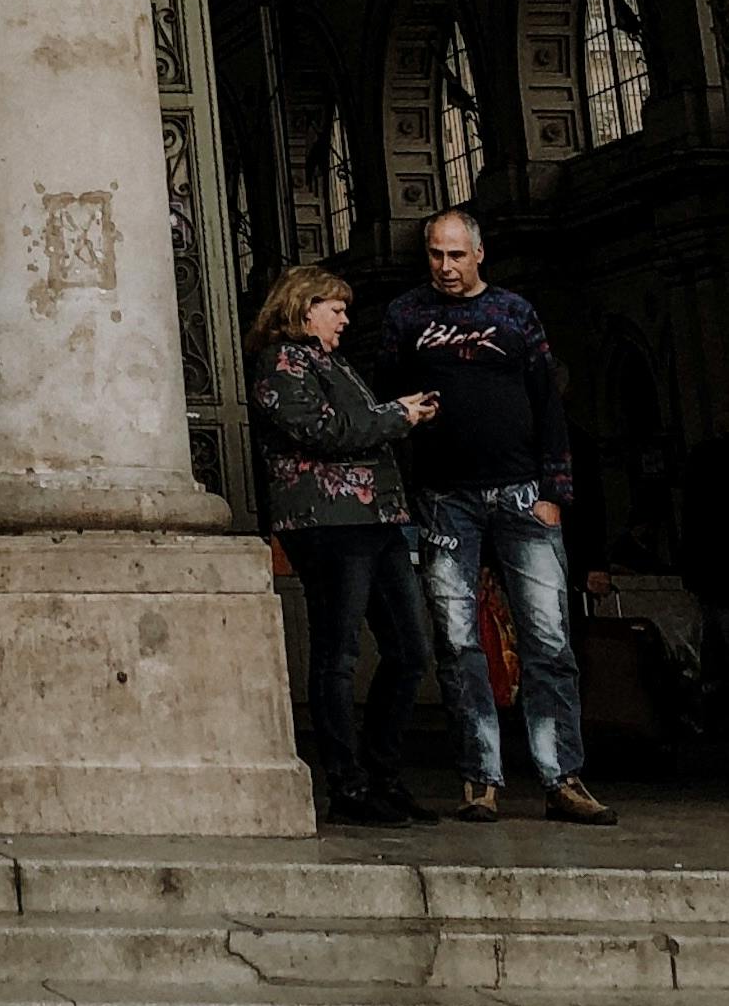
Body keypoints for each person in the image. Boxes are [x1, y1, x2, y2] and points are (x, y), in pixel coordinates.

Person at [372, 206, 617, 827]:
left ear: (479, 254)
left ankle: (562, 777)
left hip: (522, 494)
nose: (446, 267)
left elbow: (549, 406)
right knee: (457, 643)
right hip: (444, 500)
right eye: (435, 255)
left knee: (549, 641)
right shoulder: (404, 317)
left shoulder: (515, 313)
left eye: (456, 255)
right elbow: (386, 406)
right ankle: (479, 779)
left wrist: (554, 491)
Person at [246, 263, 441, 826]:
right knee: (337, 654)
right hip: (326, 521)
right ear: (304, 308)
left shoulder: (331, 362)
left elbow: (356, 423)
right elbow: (324, 431)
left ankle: (382, 773)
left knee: (409, 650)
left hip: (376, 517)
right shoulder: (281, 362)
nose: (345, 319)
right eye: (336, 309)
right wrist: (395, 415)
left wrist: (393, 415)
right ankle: (348, 786)